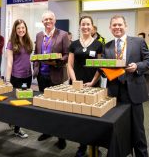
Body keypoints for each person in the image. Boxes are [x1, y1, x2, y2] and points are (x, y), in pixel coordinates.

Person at [103, 15, 149, 157]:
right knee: (116, 128)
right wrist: (100, 68)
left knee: (138, 130)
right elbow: (103, 71)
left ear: (125, 26)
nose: (117, 27)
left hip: (134, 92)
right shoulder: (107, 46)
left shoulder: (138, 42)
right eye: (114, 25)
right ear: (110, 28)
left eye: (120, 24)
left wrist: (137, 66)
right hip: (115, 93)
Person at [33, 10, 70, 150]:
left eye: (50, 19)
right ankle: (47, 131)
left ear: (54, 21)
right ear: (42, 22)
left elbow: (67, 54)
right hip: (41, 76)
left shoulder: (63, 35)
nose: (48, 21)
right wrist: (35, 65)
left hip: (56, 75)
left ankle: (62, 137)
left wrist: (56, 62)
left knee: (58, 108)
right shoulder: (39, 35)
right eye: (45, 20)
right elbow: (36, 53)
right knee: (44, 106)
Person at [67, 15, 103, 157]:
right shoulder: (74, 44)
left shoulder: (99, 44)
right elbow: (69, 65)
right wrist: (75, 82)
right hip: (76, 84)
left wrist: (93, 82)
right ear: (80, 26)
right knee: (78, 116)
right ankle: (81, 146)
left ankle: (94, 146)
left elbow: (100, 66)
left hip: (93, 84)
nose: (85, 27)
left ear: (92, 26)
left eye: (88, 24)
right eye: (83, 24)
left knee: (93, 116)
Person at [6, 19, 33, 138]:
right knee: (18, 103)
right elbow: (9, 63)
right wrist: (7, 80)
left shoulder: (28, 41)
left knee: (24, 100)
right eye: (18, 28)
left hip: (28, 76)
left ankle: (14, 121)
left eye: (23, 28)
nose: (21, 30)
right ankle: (17, 129)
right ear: (15, 30)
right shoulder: (11, 43)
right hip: (17, 77)